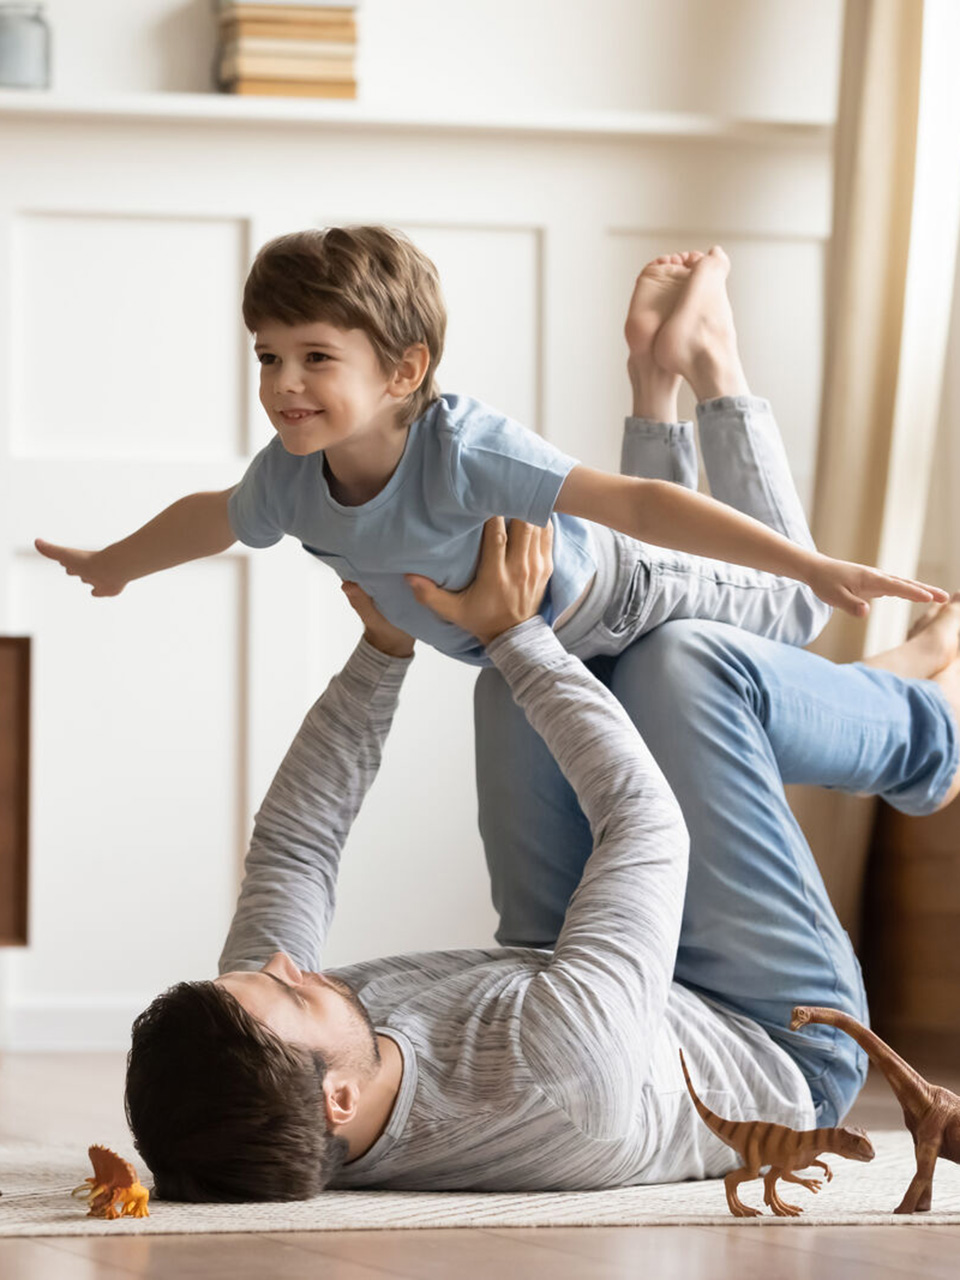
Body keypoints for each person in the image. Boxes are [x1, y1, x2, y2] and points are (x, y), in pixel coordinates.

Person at [123, 505, 960, 1201]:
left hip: (575, 974)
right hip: (774, 1033)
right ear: (337, 1100)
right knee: (680, 667)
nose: (285, 962)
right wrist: (518, 635)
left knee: (520, 681)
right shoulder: (557, 1074)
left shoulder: (269, 1054)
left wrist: (382, 648)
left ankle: (892, 683)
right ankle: (935, 737)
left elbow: (294, 849)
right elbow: (646, 826)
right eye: (288, 990)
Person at [35, 231, 944, 673]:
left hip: (621, 595)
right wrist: (118, 564)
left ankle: (712, 364)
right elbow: (216, 517)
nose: (283, 384)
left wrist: (811, 564)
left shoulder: (461, 447)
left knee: (798, 615)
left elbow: (631, 505)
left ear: (404, 371)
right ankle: (657, 370)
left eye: (316, 358)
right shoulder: (288, 478)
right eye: (269, 356)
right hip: (557, 641)